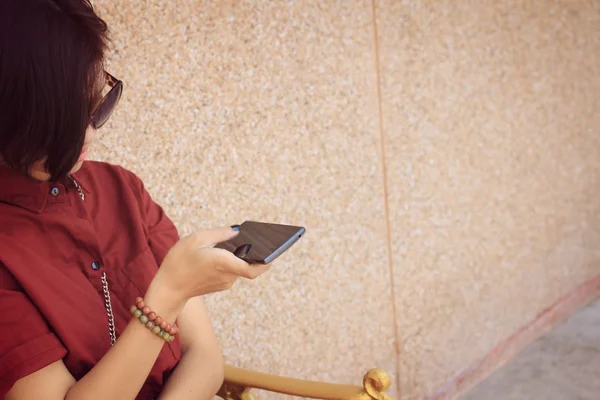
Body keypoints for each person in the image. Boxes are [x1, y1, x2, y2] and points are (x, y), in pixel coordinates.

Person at [0, 1, 270, 399]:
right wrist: (169, 294)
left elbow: (205, 357)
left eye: (96, 107)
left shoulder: (121, 188)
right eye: (66, 123)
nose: (89, 135)